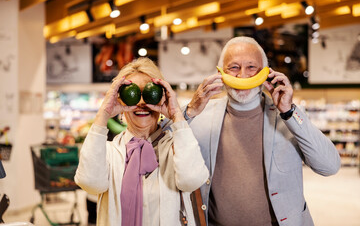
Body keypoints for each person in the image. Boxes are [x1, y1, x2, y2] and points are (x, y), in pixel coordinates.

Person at [183, 36, 341, 226]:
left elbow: (329, 166)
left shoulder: (289, 117)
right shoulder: (199, 115)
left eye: (251, 67)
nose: (242, 75)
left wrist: (289, 112)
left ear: (266, 73)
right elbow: (159, 153)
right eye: (234, 67)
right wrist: (189, 112)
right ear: (220, 73)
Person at [75, 57, 209, 225]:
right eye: (133, 94)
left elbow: (192, 180)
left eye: (147, 94)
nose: (141, 103)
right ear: (121, 99)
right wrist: (103, 114)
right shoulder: (110, 152)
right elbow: (90, 183)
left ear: (161, 97)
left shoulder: (177, 147)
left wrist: (176, 115)